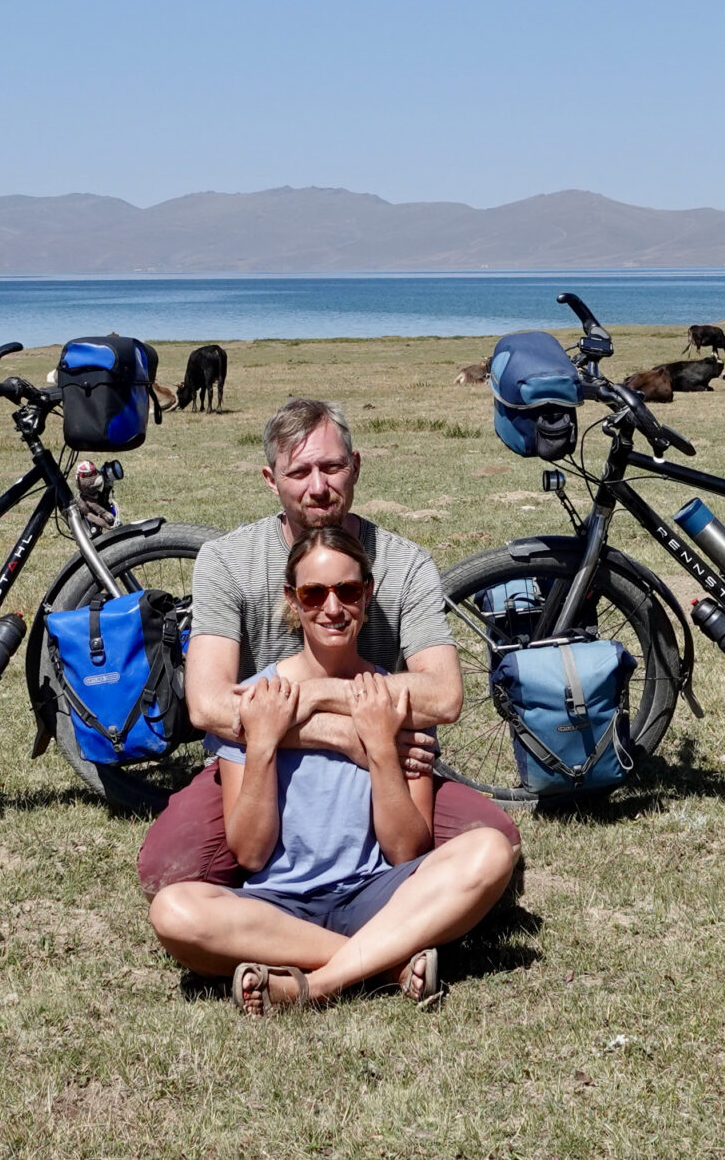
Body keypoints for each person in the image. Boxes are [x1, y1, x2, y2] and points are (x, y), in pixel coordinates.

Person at [134, 398, 519, 897]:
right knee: (171, 872)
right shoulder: (226, 562)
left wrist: (311, 699)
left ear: (355, 468)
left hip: (385, 766)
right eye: (299, 472)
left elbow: (444, 695)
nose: (318, 487)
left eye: (332, 467)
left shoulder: (406, 564)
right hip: (263, 763)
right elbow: (208, 705)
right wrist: (348, 736)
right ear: (271, 480)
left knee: (498, 847)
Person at [146, 526, 516, 1011]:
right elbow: (251, 855)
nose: (333, 607)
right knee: (173, 911)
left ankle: (314, 985)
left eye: (347, 590)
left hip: (376, 895)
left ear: (368, 593)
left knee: (490, 851)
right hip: (277, 906)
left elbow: (407, 848)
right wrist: (261, 744)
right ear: (292, 600)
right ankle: (383, 962)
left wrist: (381, 744)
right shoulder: (257, 699)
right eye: (313, 593)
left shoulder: (397, 697)